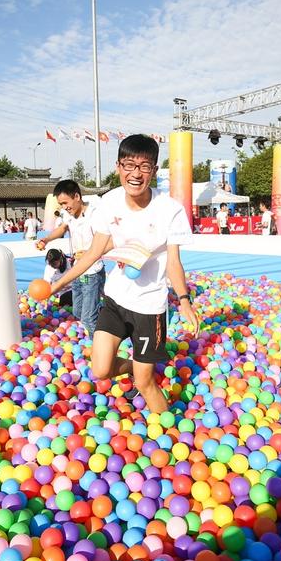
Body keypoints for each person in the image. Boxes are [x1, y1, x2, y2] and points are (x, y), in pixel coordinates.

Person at [49, 134, 198, 414]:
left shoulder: (170, 210)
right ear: (118, 167)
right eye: (129, 165)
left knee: (145, 383)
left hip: (149, 308)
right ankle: (134, 368)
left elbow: (174, 263)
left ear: (154, 171)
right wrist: (60, 283)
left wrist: (184, 298)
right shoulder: (110, 202)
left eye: (144, 166)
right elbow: (94, 252)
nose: (136, 173)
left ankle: (171, 439)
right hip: (116, 300)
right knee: (101, 370)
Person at [36, 179, 106, 335]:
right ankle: (103, 323)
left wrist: (88, 252)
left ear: (77, 196)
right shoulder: (68, 215)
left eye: (65, 203)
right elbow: (61, 229)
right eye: (60, 204)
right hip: (77, 272)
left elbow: (102, 241)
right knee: (79, 312)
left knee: (88, 318)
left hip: (92, 272)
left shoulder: (95, 215)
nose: (64, 207)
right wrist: (46, 239)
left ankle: (102, 347)